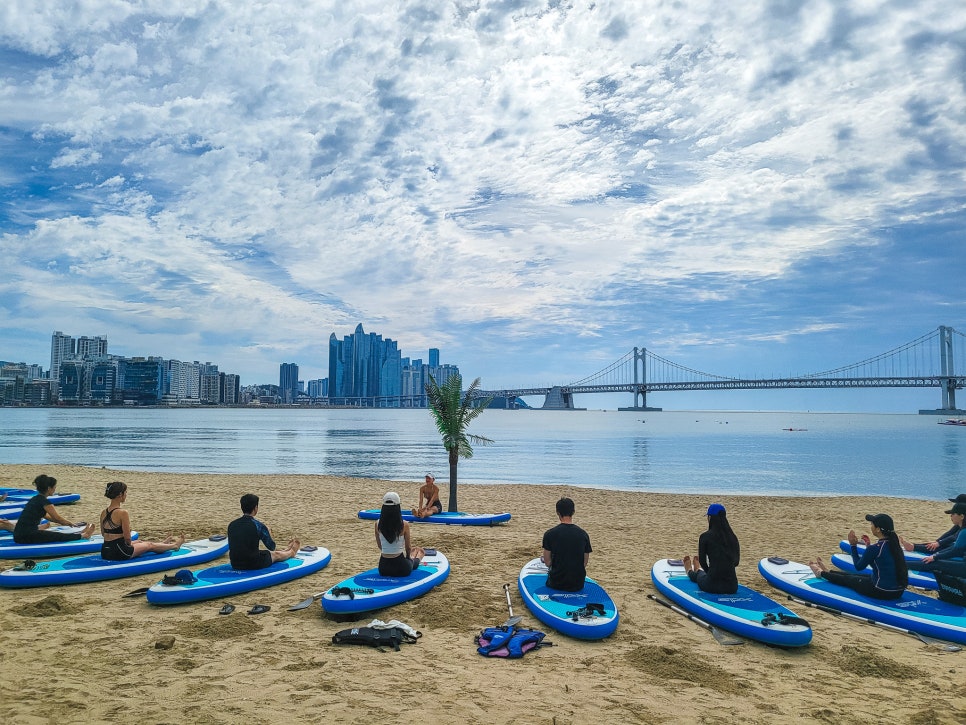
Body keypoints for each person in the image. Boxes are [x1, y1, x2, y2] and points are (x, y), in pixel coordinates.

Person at [809, 513, 908, 600]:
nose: (871, 526)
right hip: (898, 592)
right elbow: (881, 565)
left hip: (881, 591)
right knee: (859, 576)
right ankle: (828, 571)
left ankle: (820, 573)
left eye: (872, 524)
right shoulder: (894, 545)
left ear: (878, 529)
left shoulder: (876, 548)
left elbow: (858, 566)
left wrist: (853, 545)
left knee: (849, 579)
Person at [99, 481, 184, 560]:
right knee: (149, 545)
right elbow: (128, 538)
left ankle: (162, 544)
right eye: (125, 492)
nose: (126, 495)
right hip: (120, 552)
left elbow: (104, 534)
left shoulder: (103, 512)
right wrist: (129, 545)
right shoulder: (122, 512)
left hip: (106, 551)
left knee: (139, 541)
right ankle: (175, 546)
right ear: (120, 494)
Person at [12, 474, 95, 544]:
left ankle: (79, 533)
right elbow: (57, 518)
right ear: (49, 488)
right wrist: (70, 523)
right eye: (54, 487)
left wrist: (69, 524)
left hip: (18, 535)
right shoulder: (45, 502)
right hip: (26, 536)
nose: (55, 489)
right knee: (56, 535)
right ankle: (83, 536)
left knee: (51, 534)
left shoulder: (35, 499)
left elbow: (51, 518)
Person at [227, 493, 300, 570]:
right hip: (253, 564)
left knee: (262, 552)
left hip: (235, 563)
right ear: (255, 508)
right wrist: (268, 532)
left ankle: (285, 551)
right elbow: (272, 547)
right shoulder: (258, 525)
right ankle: (291, 552)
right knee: (275, 554)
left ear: (242, 507)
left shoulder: (232, 525)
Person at [682, 503, 740, 594]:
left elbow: (703, 561)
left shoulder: (705, 537)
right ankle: (697, 570)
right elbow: (736, 562)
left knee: (699, 575)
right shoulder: (733, 537)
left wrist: (711, 573)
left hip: (712, 586)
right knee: (707, 573)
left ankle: (690, 571)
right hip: (732, 587)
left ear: (710, 518)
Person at [540, 497, 592, 592]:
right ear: (573, 512)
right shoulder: (583, 534)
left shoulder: (550, 534)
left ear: (557, 512)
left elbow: (547, 563)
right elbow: (584, 563)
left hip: (556, 583)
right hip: (578, 584)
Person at [907, 502, 966, 578]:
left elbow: (955, 551)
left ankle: (901, 565)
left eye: (953, 514)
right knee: (937, 561)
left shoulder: (964, 532)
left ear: (961, 516)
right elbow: (954, 548)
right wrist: (936, 555)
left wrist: (935, 557)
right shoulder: (962, 530)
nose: (951, 516)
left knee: (936, 563)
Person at [376, 491, 424, 576]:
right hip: (401, 568)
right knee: (412, 561)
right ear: (398, 507)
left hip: (383, 568)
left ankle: (415, 555)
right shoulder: (404, 524)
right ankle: (418, 556)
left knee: (408, 560)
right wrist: (408, 557)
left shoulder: (377, 524)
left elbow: (380, 546)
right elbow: (408, 548)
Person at [900, 493, 966, 553]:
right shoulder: (961, 519)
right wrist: (937, 541)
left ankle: (913, 547)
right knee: (941, 544)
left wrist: (938, 544)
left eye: (957, 503)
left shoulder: (963, 521)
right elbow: (951, 532)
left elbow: (954, 536)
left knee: (946, 546)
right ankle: (913, 546)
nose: (955, 505)